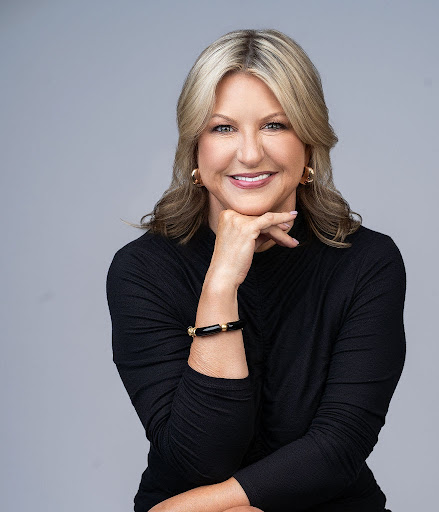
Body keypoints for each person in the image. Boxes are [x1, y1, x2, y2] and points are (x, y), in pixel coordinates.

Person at [106, 28, 406, 512]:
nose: (249, 153)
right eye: (223, 128)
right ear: (195, 150)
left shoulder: (366, 262)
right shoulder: (142, 271)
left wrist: (188, 508)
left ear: (308, 145)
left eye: (275, 125)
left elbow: (337, 449)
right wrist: (220, 284)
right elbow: (200, 459)